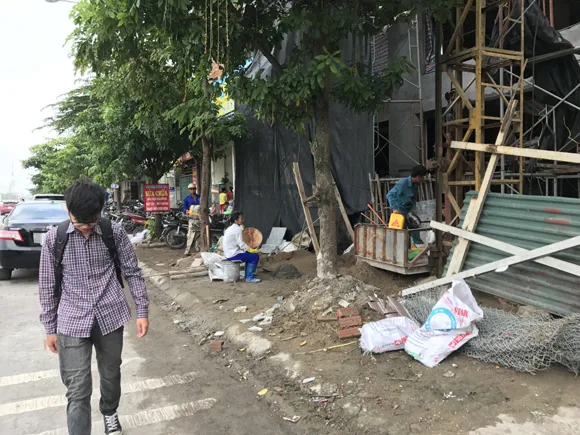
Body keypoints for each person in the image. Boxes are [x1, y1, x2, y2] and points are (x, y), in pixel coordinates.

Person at [38, 181, 149, 435]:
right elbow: (46, 285)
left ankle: (110, 412)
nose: (87, 227)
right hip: (71, 320)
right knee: (77, 388)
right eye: (80, 223)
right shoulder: (54, 239)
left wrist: (142, 310)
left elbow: (132, 272)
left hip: (110, 315)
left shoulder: (114, 232)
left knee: (111, 374)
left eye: (92, 221)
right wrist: (50, 328)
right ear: (69, 212)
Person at [386, 165, 428, 246]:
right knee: (400, 229)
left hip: (409, 208)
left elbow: (413, 198)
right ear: (418, 177)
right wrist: (394, 208)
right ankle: (398, 246)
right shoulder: (402, 183)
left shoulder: (416, 184)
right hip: (399, 208)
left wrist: (413, 208)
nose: (423, 179)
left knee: (414, 224)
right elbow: (389, 195)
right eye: (422, 177)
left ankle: (418, 244)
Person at [223, 211, 260, 283]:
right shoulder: (237, 229)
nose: (243, 220)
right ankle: (249, 277)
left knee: (249, 255)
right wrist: (251, 250)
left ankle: (248, 275)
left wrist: (248, 250)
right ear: (235, 220)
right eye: (241, 218)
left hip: (229, 253)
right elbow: (242, 244)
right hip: (233, 254)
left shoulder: (230, 228)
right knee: (255, 256)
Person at [183, 183, 201, 255]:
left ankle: (198, 248)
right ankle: (188, 249)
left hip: (199, 218)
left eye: (193, 189)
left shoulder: (199, 197)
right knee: (190, 234)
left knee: (199, 234)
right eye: (191, 189)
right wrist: (186, 211)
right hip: (192, 218)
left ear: (195, 189)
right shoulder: (186, 199)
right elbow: (184, 208)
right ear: (189, 190)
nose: (192, 190)